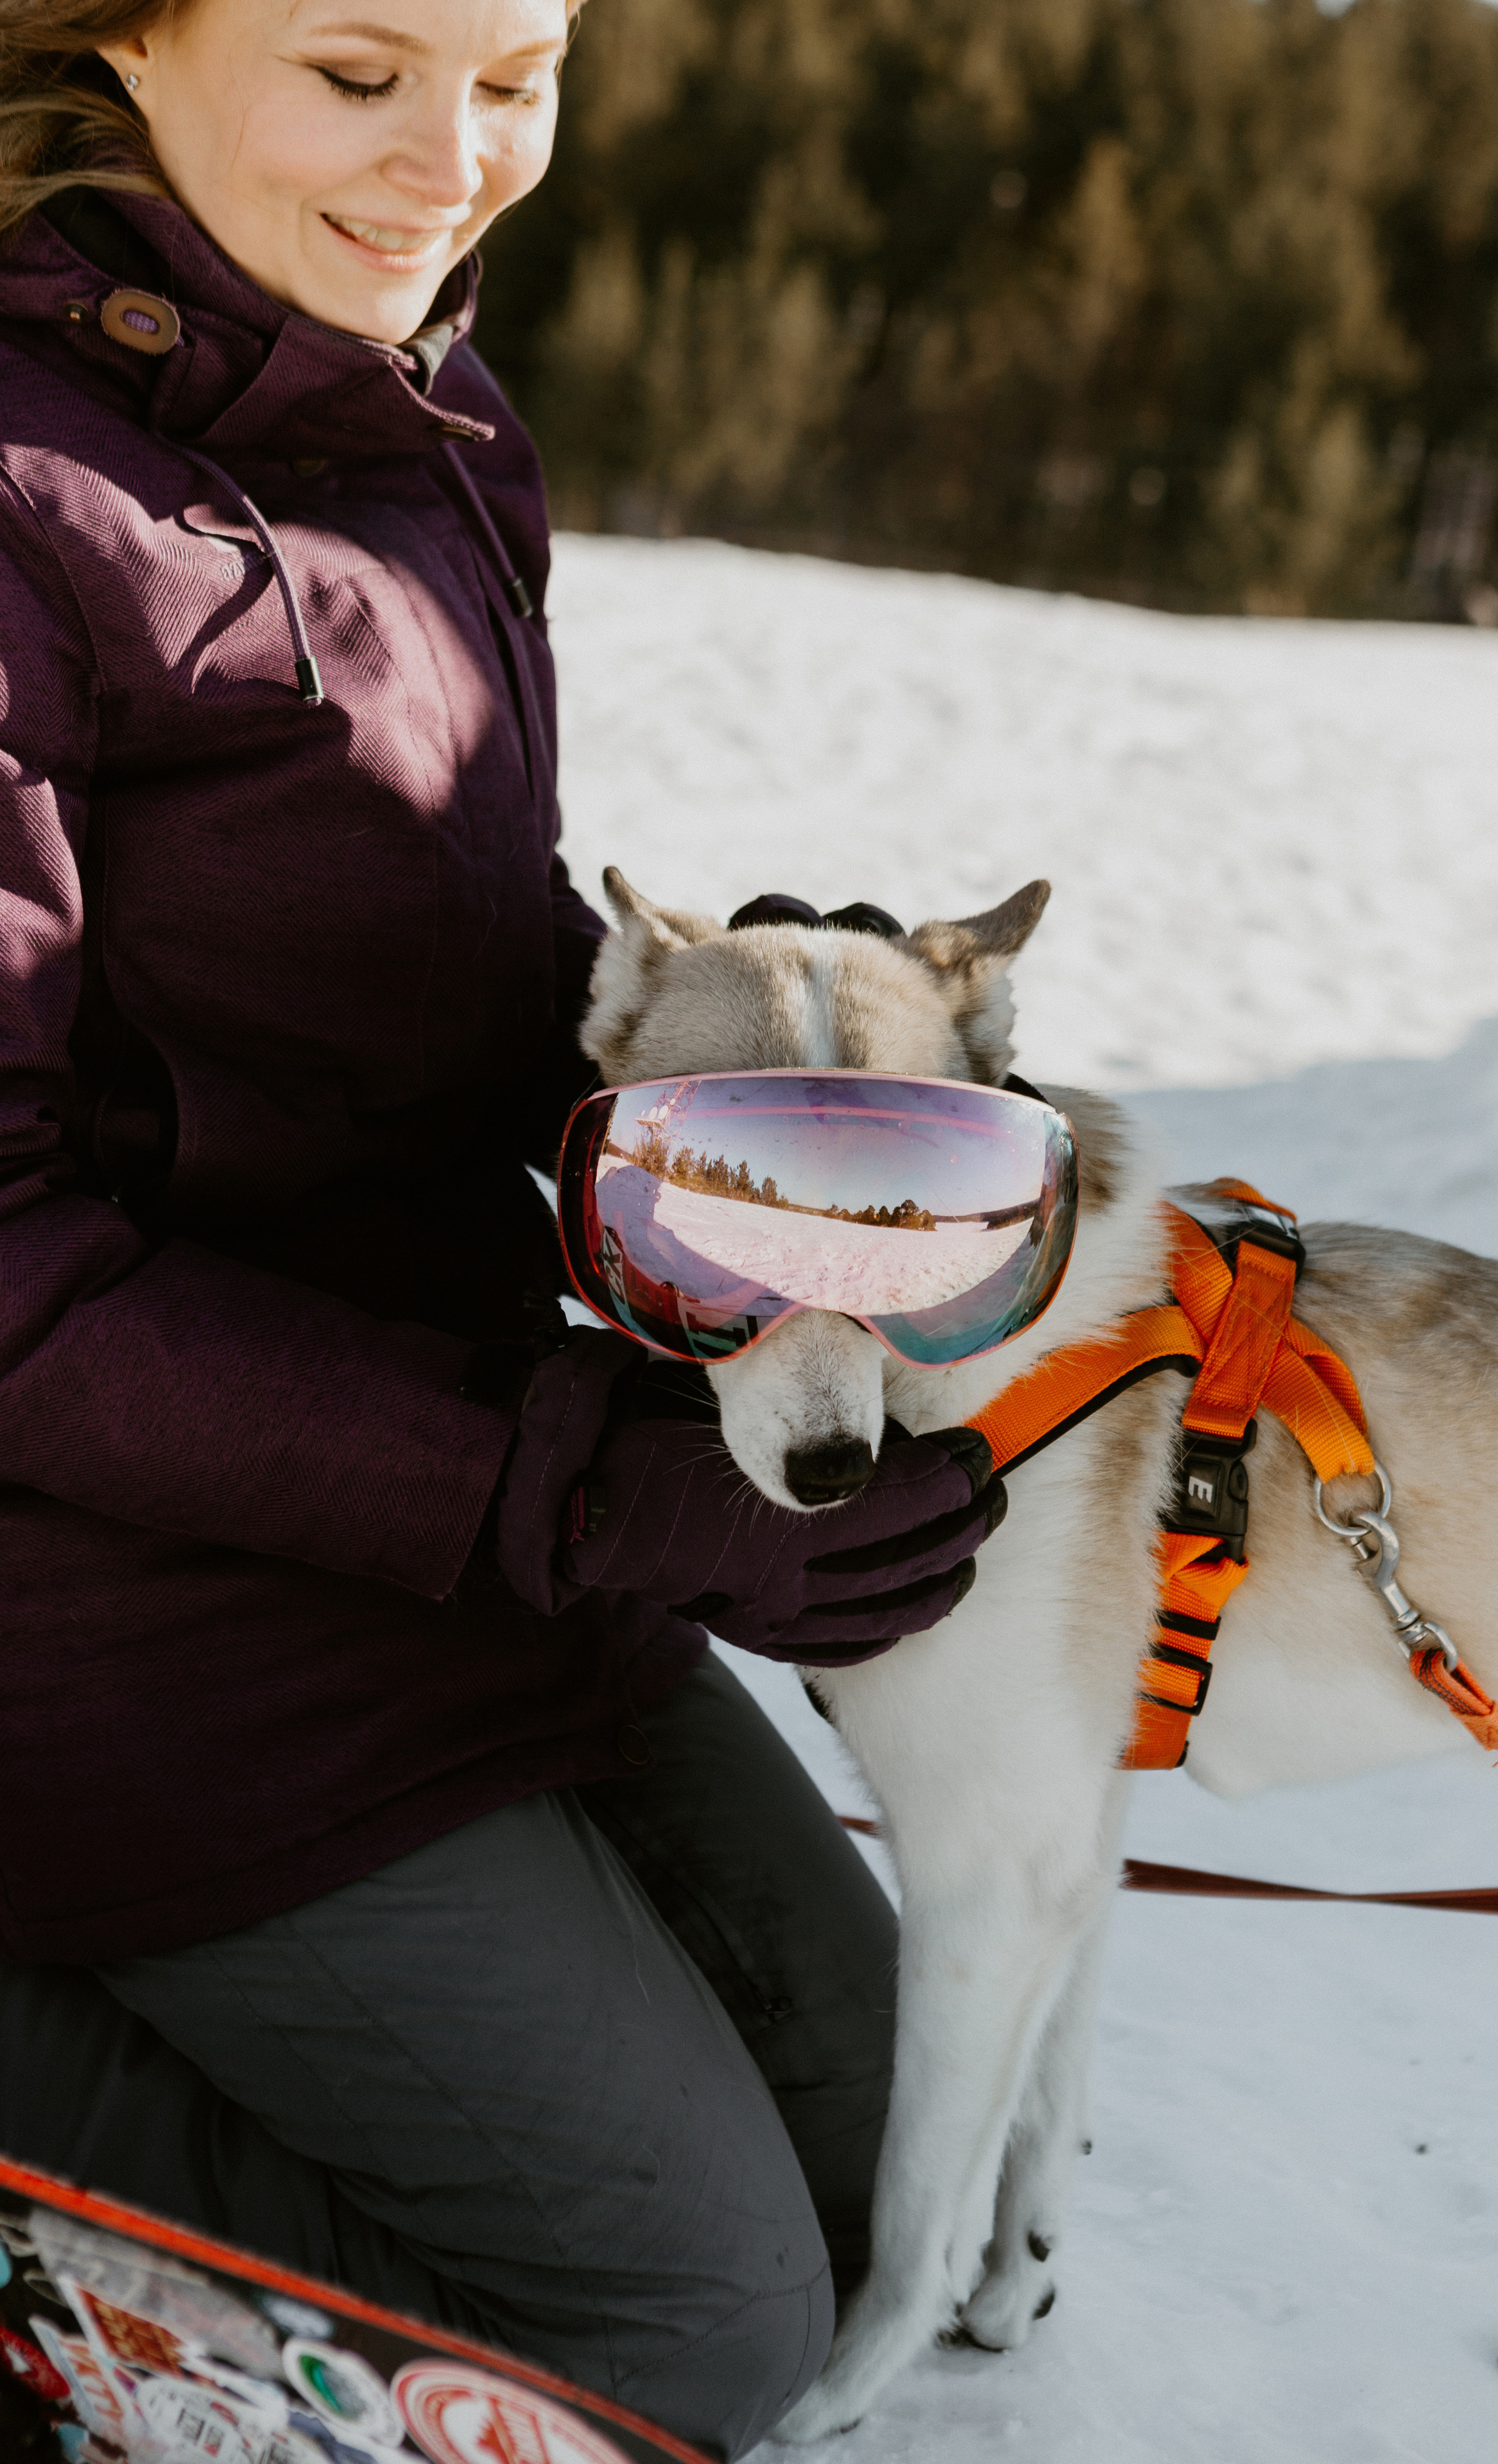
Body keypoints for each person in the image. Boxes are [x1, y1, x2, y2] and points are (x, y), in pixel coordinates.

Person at [0, 6, 1008, 2456]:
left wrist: (732, 1063)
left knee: (909, 2192)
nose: (450, 161)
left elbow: (387, 965)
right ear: (129, 31)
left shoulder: (410, 414)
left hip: (453, 1539)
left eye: (516, 75)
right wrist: (568, 1487)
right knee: (660, 2349)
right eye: (360, 71)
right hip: (112, 1612)